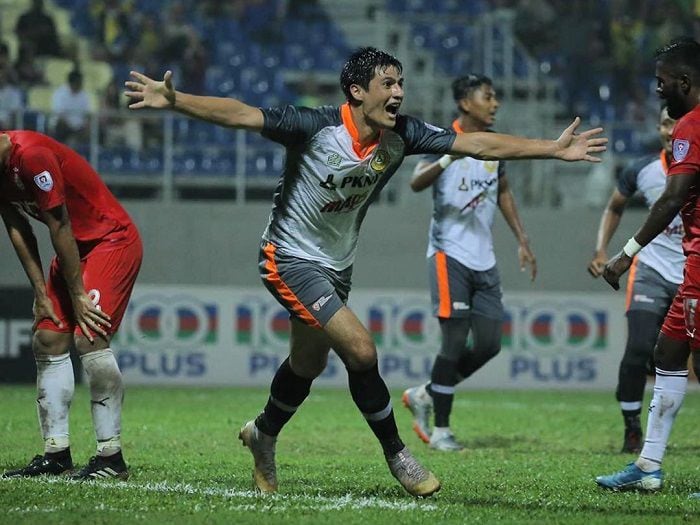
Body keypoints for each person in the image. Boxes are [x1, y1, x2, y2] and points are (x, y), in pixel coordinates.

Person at [124, 47, 606, 497]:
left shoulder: (403, 135)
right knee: (360, 348)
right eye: (388, 83)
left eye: (401, 84)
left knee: (307, 365)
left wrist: (551, 148)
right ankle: (398, 455)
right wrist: (175, 100)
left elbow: (475, 143)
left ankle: (263, 433)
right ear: (356, 91)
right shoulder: (312, 126)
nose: (398, 93)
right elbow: (243, 114)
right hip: (288, 257)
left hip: (336, 265)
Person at [401, 74, 536, 452]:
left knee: (490, 343)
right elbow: (415, 181)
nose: (495, 104)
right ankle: (441, 429)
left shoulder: (493, 146)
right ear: (465, 102)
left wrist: (522, 239)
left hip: (484, 259)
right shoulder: (440, 138)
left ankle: (426, 393)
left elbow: (503, 190)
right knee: (455, 341)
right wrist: (449, 155)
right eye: (488, 97)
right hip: (449, 256)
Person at [0, 130, 143, 480]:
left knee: (89, 336)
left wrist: (78, 293)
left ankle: (111, 458)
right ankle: (56, 454)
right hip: (73, 252)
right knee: (47, 339)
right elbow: (17, 228)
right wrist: (40, 292)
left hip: (110, 241)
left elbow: (59, 223)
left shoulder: (31, 156)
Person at [596, 37, 700, 492]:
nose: (657, 91)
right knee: (667, 354)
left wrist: (625, 254)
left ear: (684, 81)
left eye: (661, 83)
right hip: (691, 263)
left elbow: (672, 199)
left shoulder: (692, 126)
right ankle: (648, 464)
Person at [588, 106, 682, 454]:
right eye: (664, 124)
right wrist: (601, 249)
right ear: (658, 128)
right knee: (639, 348)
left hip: (692, 275)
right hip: (651, 272)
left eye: (677, 123)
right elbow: (614, 207)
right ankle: (631, 430)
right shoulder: (643, 170)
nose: (671, 131)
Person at [51, 70, 92, 147]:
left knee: (92, 130)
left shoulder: (84, 95)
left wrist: (86, 125)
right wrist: (72, 129)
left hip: (79, 128)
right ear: (72, 82)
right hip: (64, 126)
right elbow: (60, 116)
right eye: (78, 82)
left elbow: (87, 115)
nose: (80, 85)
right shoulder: (60, 93)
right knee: (60, 125)